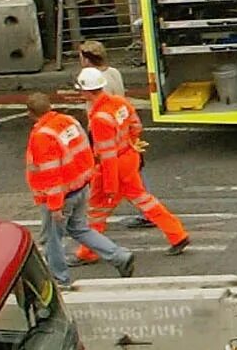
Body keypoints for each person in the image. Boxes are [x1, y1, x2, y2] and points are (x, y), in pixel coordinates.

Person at [79, 60, 188, 254]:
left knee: (96, 210)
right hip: (130, 157)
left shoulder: (99, 119)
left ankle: (88, 252)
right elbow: (136, 126)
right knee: (144, 199)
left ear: (87, 92)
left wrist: (110, 186)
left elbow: (107, 155)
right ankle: (177, 234)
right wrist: (129, 142)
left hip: (113, 167)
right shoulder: (120, 103)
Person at [24, 88, 130, 280]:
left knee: (52, 239)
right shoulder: (69, 121)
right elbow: (86, 150)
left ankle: (60, 278)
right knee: (80, 228)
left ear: (30, 113)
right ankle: (119, 256)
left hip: (61, 195)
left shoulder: (42, 135)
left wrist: (55, 205)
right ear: (50, 106)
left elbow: (51, 173)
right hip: (81, 187)